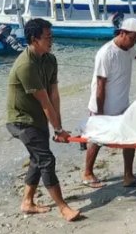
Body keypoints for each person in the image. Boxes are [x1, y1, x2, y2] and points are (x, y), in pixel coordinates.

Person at [5, 18, 82, 222]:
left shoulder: (50, 59)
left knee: (37, 159)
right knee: (46, 159)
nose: (51, 41)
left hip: (37, 118)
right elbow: (45, 100)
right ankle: (63, 207)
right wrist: (57, 129)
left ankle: (27, 202)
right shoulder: (25, 65)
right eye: (48, 37)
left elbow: (54, 95)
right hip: (21, 119)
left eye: (52, 36)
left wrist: (59, 127)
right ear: (34, 39)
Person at [82, 17, 136, 188]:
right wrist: (99, 115)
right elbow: (100, 86)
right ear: (122, 33)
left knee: (130, 138)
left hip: (122, 105)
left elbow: (135, 53)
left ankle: (128, 176)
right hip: (102, 107)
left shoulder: (129, 48)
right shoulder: (106, 53)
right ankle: (87, 173)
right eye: (132, 38)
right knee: (96, 141)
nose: (134, 42)